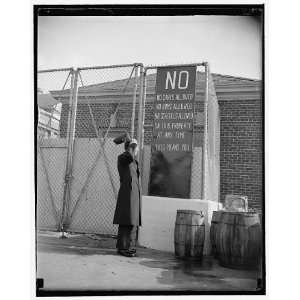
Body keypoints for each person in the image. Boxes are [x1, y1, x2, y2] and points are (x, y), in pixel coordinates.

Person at [113, 136, 142, 257]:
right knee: (126, 220)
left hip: (135, 194)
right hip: (127, 193)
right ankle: (122, 248)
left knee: (133, 221)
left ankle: (129, 246)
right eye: (134, 148)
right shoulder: (123, 158)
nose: (136, 150)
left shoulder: (134, 162)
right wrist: (131, 143)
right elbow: (129, 156)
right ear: (129, 148)